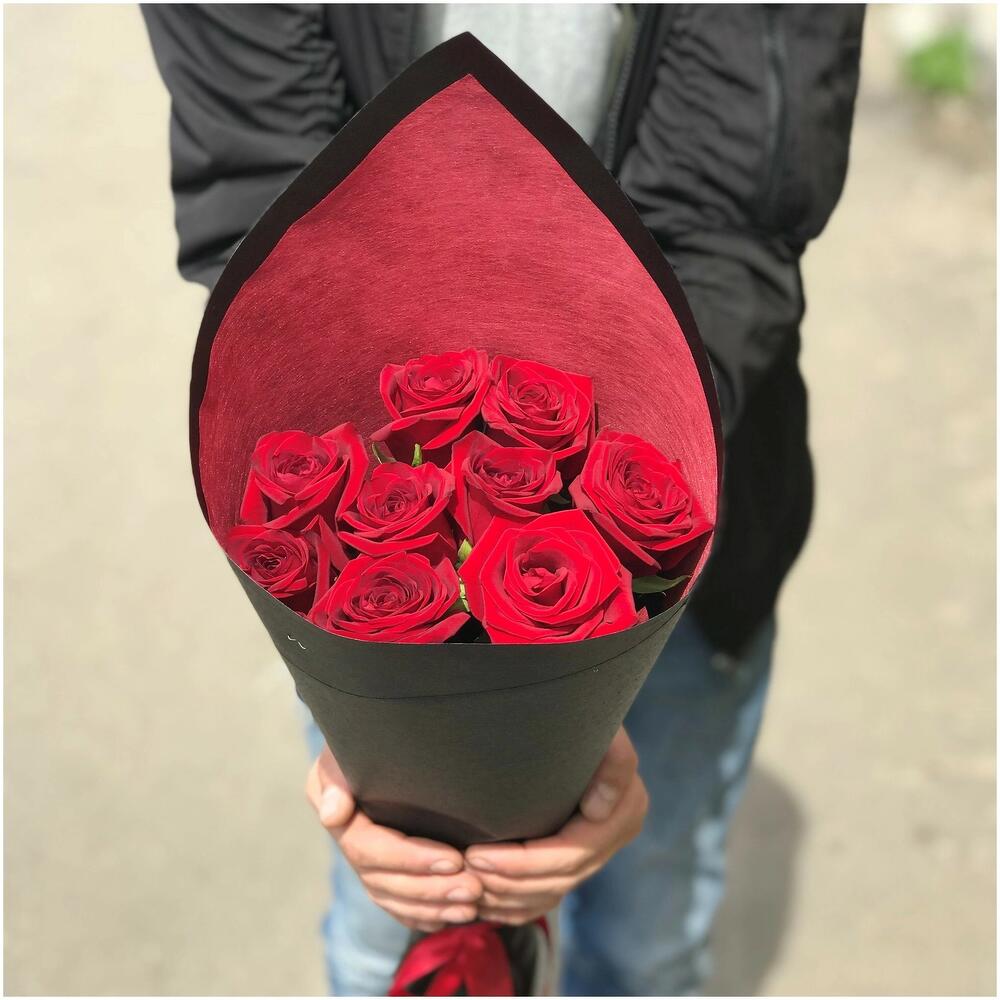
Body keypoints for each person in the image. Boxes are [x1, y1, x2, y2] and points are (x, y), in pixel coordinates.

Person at [143, 6, 864, 995]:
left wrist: (581, 690)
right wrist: (383, 730)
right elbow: (269, 205)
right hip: (371, 553)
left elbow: (730, 213)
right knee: (398, 929)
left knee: (646, 941)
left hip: (689, 513)